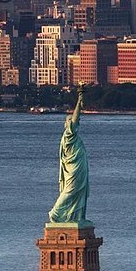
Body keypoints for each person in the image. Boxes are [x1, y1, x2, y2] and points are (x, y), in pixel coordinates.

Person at [48, 84, 90, 224]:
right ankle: (56, 213)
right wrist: (79, 100)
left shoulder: (73, 137)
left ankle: (76, 216)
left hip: (78, 170)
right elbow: (75, 118)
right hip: (74, 171)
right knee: (70, 191)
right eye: (70, 122)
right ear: (67, 124)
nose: (77, 123)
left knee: (77, 193)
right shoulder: (68, 136)